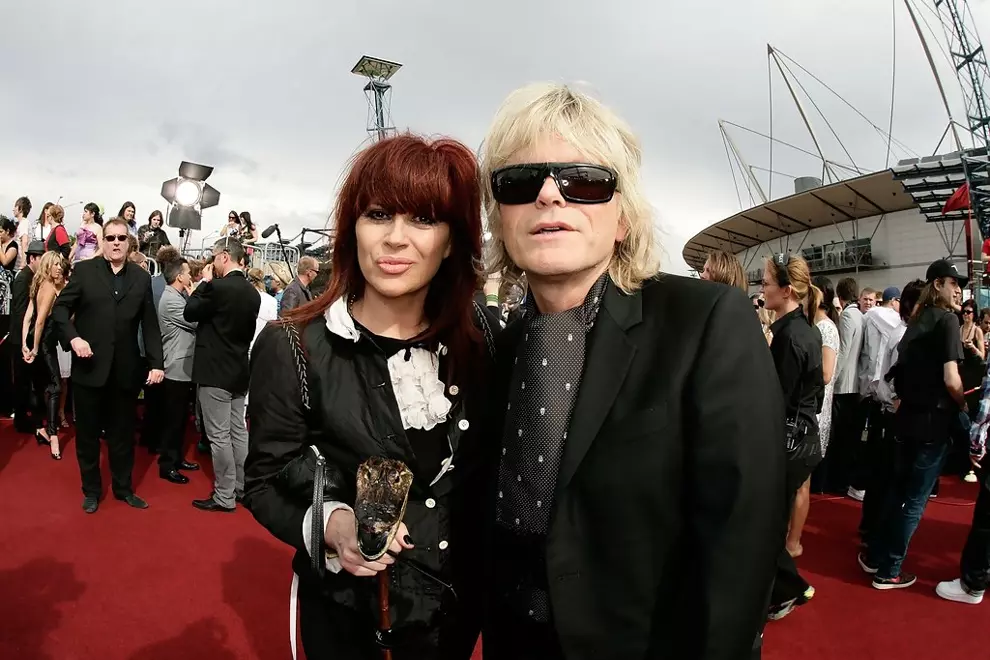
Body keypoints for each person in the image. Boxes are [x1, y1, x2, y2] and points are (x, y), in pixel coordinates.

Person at [478, 82, 785, 660]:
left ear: (623, 218)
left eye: (585, 182)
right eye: (519, 182)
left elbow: (741, 539)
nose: (549, 195)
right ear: (499, 216)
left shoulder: (704, 321)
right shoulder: (499, 348)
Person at [244, 133, 496, 659]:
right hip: (348, 619)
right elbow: (265, 480)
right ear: (352, 229)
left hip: (456, 621)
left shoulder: (484, 339)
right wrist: (331, 525)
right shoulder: (292, 345)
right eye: (378, 214)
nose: (396, 239)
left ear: (452, 240)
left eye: (424, 219)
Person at [862, 260, 968, 588]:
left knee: (898, 492)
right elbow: (952, 379)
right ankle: (890, 569)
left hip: (906, 420)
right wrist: (964, 404)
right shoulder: (947, 321)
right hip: (932, 423)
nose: (958, 289)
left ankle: (879, 556)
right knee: (916, 499)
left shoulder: (917, 320)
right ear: (937, 284)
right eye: (953, 283)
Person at [51, 216, 164, 513]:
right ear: (102, 241)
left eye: (121, 238)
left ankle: (124, 489)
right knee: (87, 436)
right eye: (111, 238)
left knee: (123, 436)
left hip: (125, 372)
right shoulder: (85, 272)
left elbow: (150, 324)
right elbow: (61, 310)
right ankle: (91, 490)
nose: (115, 243)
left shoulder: (141, 278)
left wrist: (157, 362)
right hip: (89, 370)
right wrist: (74, 339)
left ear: (129, 242)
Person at [760, 254, 824, 621]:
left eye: (767, 282)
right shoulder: (804, 329)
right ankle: (787, 587)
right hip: (802, 440)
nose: (762, 288)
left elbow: (777, 400)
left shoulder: (789, 337)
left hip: (789, 443)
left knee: (765, 522)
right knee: (769, 521)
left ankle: (788, 589)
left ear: (786, 290)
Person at [185, 237, 259, 513]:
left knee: (219, 436)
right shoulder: (252, 292)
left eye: (214, 256)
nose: (212, 262)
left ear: (225, 256)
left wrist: (202, 284)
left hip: (214, 371)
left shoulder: (216, 287)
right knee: (238, 432)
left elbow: (190, 311)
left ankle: (225, 496)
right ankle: (242, 487)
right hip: (239, 369)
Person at [157, 257, 201, 484]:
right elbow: (194, 320)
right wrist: (197, 292)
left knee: (181, 418)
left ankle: (176, 458)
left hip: (183, 367)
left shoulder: (178, 296)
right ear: (178, 276)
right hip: (175, 367)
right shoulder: (172, 300)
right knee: (173, 420)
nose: (191, 275)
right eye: (187, 272)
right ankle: (167, 465)